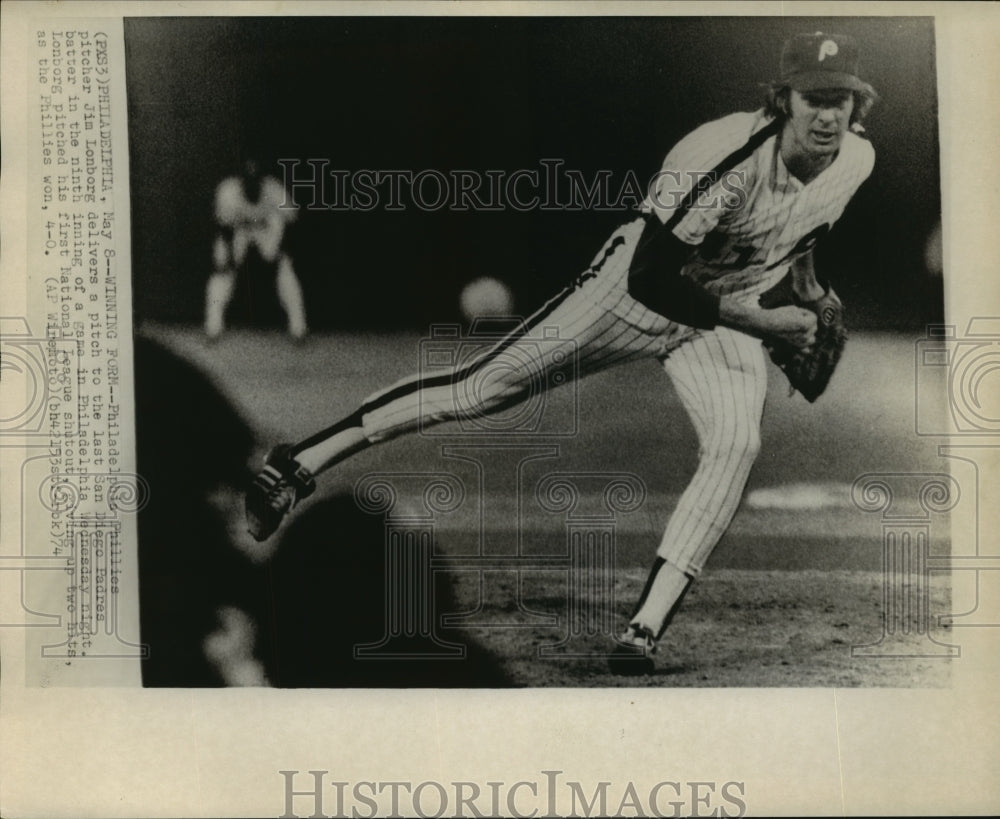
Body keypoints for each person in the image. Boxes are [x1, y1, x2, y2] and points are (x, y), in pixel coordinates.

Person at [244, 32, 878, 673]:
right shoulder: (722, 155)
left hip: (722, 315)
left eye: (842, 100)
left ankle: (644, 629)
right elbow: (652, 279)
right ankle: (297, 462)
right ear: (783, 100)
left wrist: (807, 289)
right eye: (813, 98)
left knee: (737, 443)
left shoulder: (856, 160)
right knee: (480, 389)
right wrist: (767, 325)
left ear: (859, 105)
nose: (828, 115)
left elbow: (801, 230)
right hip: (632, 294)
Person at [204, 159, 308, 341]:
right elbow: (223, 228)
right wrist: (226, 258)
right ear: (241, 180)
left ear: (263, 180)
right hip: (239, 232)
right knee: (221, 271)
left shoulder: (275, 190)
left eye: (256, 180)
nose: (252, 185)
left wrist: (282, 256)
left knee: (285, 267)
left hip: (268, 232)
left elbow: (291, 225)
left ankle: (298, 326)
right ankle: (213, 325)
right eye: (247, 180)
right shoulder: (228, 191)